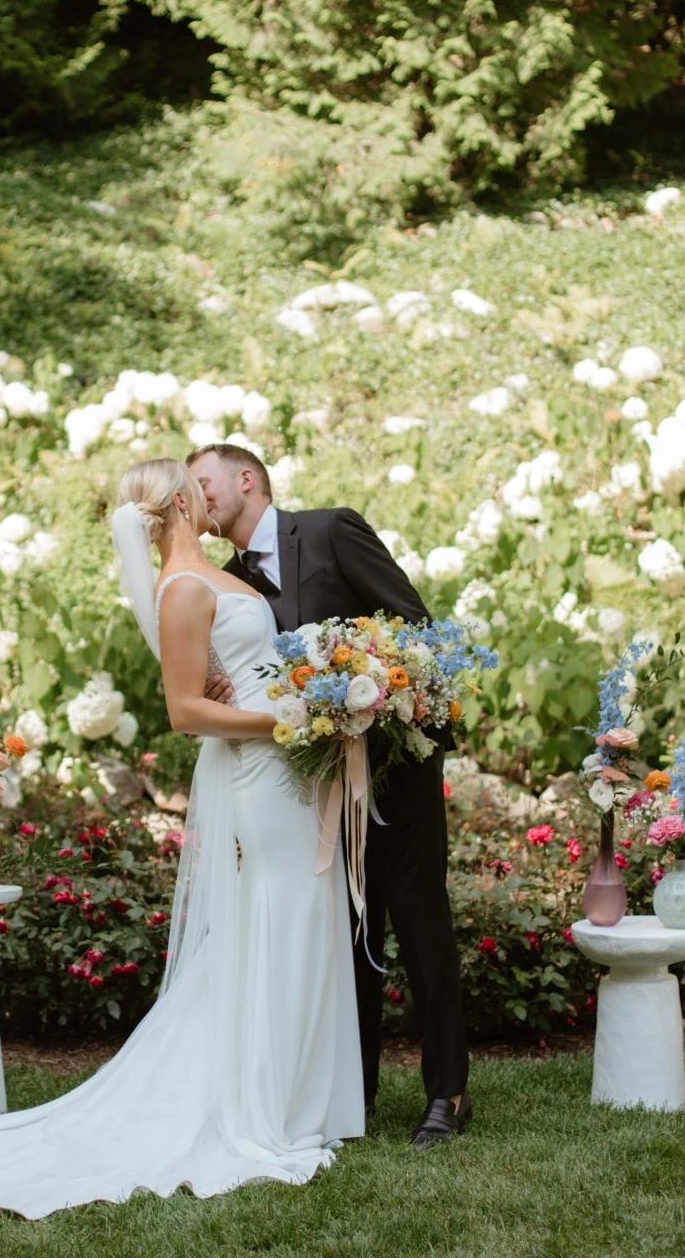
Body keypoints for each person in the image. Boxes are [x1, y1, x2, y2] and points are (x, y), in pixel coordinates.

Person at [0, 457, 362, 1216]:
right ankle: (269, 1108)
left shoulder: (213, 576)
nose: (207, 491)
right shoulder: (185, 589)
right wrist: (289, 719)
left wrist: (302, 699)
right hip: (261, 773)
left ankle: (306, 1103)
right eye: (193, 485)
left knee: (304, 913)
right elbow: (186, 712)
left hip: (288, 769)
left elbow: (235, 668)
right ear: (176, 506)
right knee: (283, 915)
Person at [187, 442, 471, 1149]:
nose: (197, 498)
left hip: (396, 766)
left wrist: (377, 687)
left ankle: (449, 1092)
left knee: (418, 920)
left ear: (245, 478)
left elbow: (413, 624)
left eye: (203, 482)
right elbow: (232, 675)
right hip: (309, 787)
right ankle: (354, 1089)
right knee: (350, 935)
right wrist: (224, 683)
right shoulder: (225, 585)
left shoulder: (328, 529)